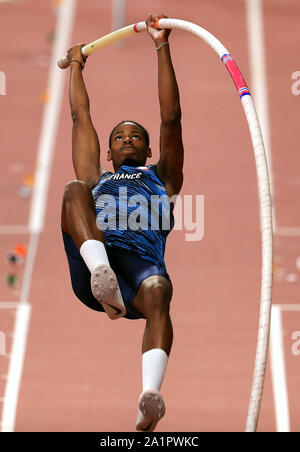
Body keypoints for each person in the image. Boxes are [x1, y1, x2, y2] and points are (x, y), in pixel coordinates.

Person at [61, 14, 184, 432]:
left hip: (137, 275)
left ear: (150, 150)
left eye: (135, 135)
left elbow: (171, 118)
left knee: (160, 290)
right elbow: (81, 117)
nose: (127, 138)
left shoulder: (162, 178)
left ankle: (149, 397)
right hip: (94, 269)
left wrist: (160, 45)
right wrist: (77, 65)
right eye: (118, 136)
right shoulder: (100, 178)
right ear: (109, 153)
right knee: (75, 189)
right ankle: (101, 274)